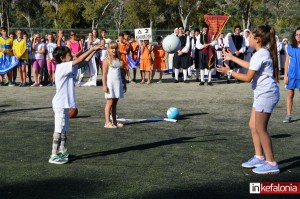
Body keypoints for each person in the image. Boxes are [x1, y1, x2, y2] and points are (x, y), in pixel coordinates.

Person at [217, 25, 280, 174]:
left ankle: (271, 163)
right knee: (253, 125)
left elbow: (247, 77)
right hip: (261, 93)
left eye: (250, 37)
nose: (248, 39)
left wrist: (229, 72)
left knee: (260, 128)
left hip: (266, 94)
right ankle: (259, 157)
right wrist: (233, 58)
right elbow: (251, 66)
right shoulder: (260, 53)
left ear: (257, 40)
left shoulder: (261, 54)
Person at [49, 44, 101, 164]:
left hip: (65, 103)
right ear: (62, 58)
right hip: (60, 103)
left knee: (64, 129)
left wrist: (94, 52)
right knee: (58, 129)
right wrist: (92, 48)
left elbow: (84, 62)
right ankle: (53, 155)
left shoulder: (68, 66)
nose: (71, 55)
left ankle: (62, 152)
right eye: (69, 54)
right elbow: (79, 59)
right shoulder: (62, 66)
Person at [102, 41, 127, 128]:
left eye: (115, 48)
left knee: (115, 103)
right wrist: (104, 85)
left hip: (118, 84)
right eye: (112, 48)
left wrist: (124, 83)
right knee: (109, 102)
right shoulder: (106, 61)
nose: (114, 50)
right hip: (110, 84)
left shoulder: (120, 60)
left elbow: (122, 73)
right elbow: (104, 74)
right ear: (108, 50)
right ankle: (107, 122)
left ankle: (114, 122)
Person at [283, 27, 300, 123]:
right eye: (297, 34)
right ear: (294, 36)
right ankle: (288, 115)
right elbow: (286, 62)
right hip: (291, 76)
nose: (299, 36)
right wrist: (285, 75)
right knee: (290, 94)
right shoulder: (290, 47)